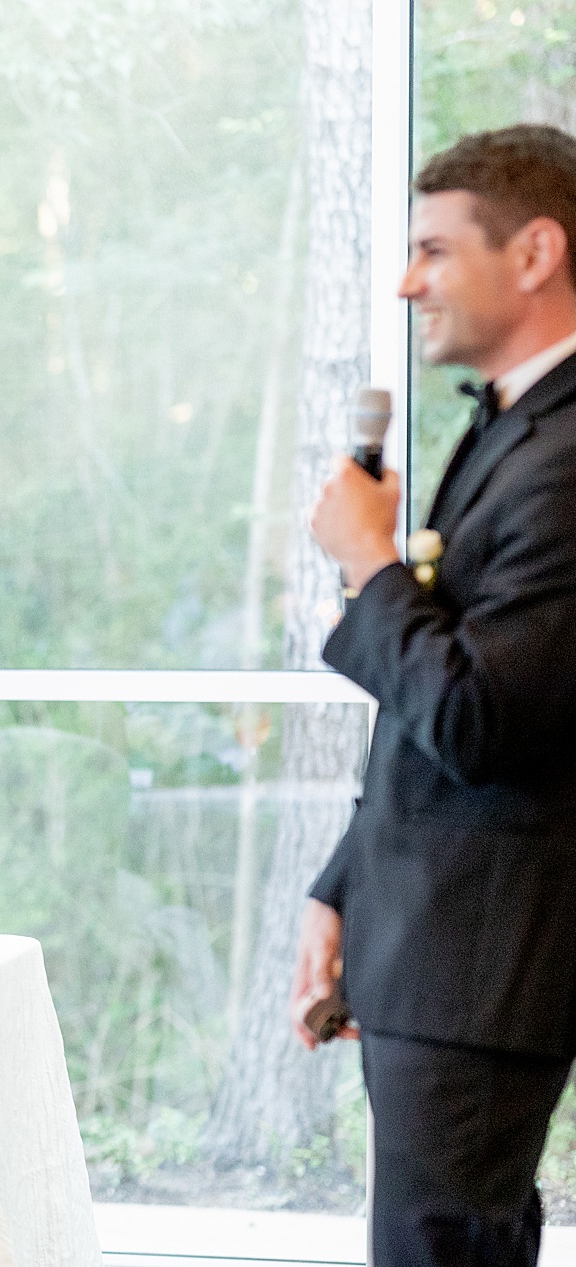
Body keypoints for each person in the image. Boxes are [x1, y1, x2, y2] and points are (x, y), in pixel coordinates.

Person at [295, 124, 576, 1267]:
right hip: (434, 926)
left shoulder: (565, 450)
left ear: (534, 252)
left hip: (486, 949)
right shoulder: (510, 423)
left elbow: (476, 716)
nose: (407, 280)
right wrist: (344, 883)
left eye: (432, 250)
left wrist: (366, 565)